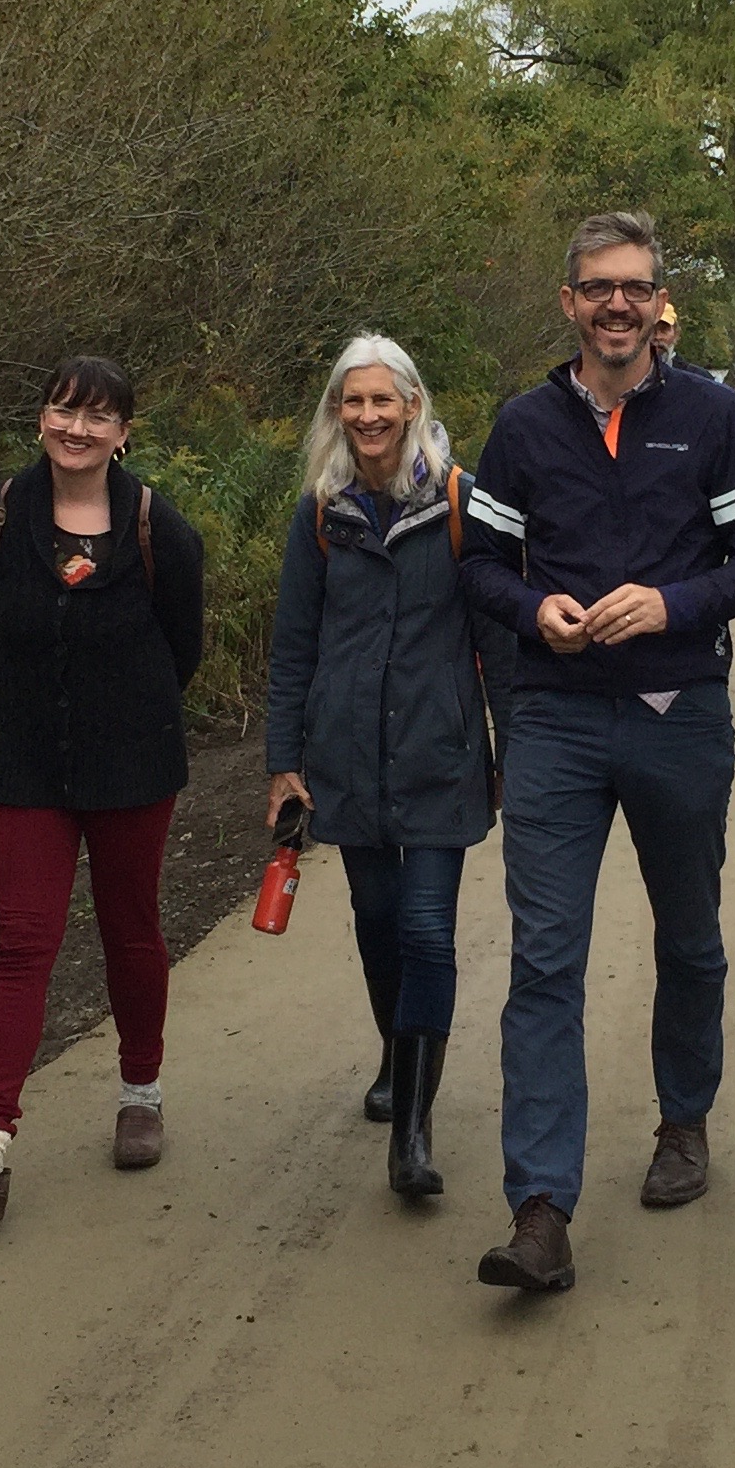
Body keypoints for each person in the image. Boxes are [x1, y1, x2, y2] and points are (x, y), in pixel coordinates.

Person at [460, 213, 735, 1294]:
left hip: (676, 712)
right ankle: (540, 1209)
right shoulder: (523, 427)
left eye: (635, 287)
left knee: (688, 936)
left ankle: (683, 1119)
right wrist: (534, 610)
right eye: (599, 287)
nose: (618, 305)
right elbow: (480, 567)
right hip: (556, 718)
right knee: (545, 958)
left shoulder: (710, 418)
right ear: (569, 302)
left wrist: (671, 604)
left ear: (658, 303)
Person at [0, 357, 206, 1223]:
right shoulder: (1, 515)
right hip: (30, 763)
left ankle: (141, 1094)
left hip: (135, 763)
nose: (76, 429)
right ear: (41, 418)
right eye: (63, 410)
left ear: (124, 434)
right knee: (23, 943)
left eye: (97, 416)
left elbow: (182, 650)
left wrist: (119, 712)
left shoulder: (159, 528)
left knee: (130, 931)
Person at [264, 336, 510, 1199]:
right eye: (353, 401)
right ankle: (397, 1054)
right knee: (376, 923)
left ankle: (413, 1130)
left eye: (382, 400)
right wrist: (283, 762)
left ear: (412, 405)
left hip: (440, 750)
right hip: (348, 757)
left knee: (426, 929)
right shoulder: (320, 513)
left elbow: (498, 640)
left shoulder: (460, 502)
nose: (368, 415)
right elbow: (293, 646)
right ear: (337, 412)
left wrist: (513, 750)